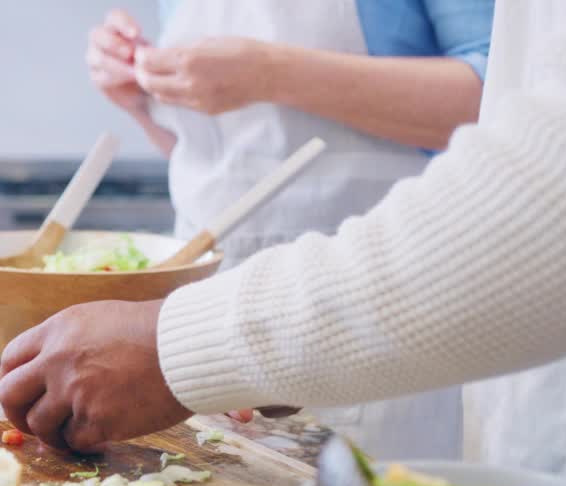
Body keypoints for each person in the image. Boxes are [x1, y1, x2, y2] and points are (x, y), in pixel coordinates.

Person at [0, 1, 566, 486]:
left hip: (385, 325)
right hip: (261, 326)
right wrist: (147, 104)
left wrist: (182, 343)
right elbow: (222, 163)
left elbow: (565, 175)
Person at [84, 1, 494, 460]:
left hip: (364, 310)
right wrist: (143, 101)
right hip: (204, 315)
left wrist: (269, 74)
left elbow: (496, 102)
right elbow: (218, 163)